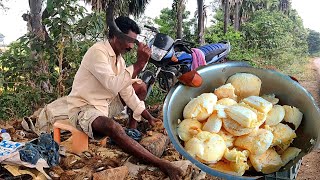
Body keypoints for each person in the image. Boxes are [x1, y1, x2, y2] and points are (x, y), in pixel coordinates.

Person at [67, 16, 184, 179]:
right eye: (129, 40)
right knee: (113, 127)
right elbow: (113, 84)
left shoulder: (119, 61)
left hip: (104, 106)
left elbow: (126, 92)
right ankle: (160, 163)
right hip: (83, 109)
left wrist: (149, 118)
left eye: (133, 41)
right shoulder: (97, 51)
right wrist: (139, 64)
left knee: (140, 87)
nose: (131, 46)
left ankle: (132, 130)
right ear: (115, 35)